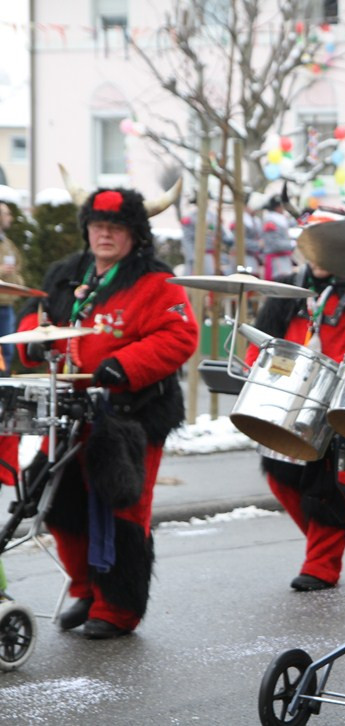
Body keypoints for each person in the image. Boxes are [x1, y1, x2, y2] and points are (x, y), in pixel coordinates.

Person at [16, 181, 197, 638]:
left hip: (130, 415)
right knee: (59, 506)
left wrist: (124, 365)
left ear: (135, 232)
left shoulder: (157, 282)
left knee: (124, 509)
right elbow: (35, 321)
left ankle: (118, 609)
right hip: (68, 410)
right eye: (98, 225)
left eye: (116, 227)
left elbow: (179, 337)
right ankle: (85, 589)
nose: (105, 235)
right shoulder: (65, 273)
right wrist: (33, 347)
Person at [249, 243, 345, 591]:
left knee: (333, 486)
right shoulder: (288, 288)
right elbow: (264, 342)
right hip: (291, 397)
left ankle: (321, 565)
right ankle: (333, 532)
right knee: (279, 475)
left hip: (342, 401)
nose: (319, 257)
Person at [0, 202, 26, 373]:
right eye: (7, 214)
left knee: (7, 350)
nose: (11, 217)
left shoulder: (7, 243)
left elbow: (18, 264)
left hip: (7, 305)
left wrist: (19, 283)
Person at [261, 196, 296, 280]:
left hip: (285, 258)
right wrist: (292, 244)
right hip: (276, 260)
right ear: (277, 207)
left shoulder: (281, 219)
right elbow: (274, 244)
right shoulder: (270, 221)